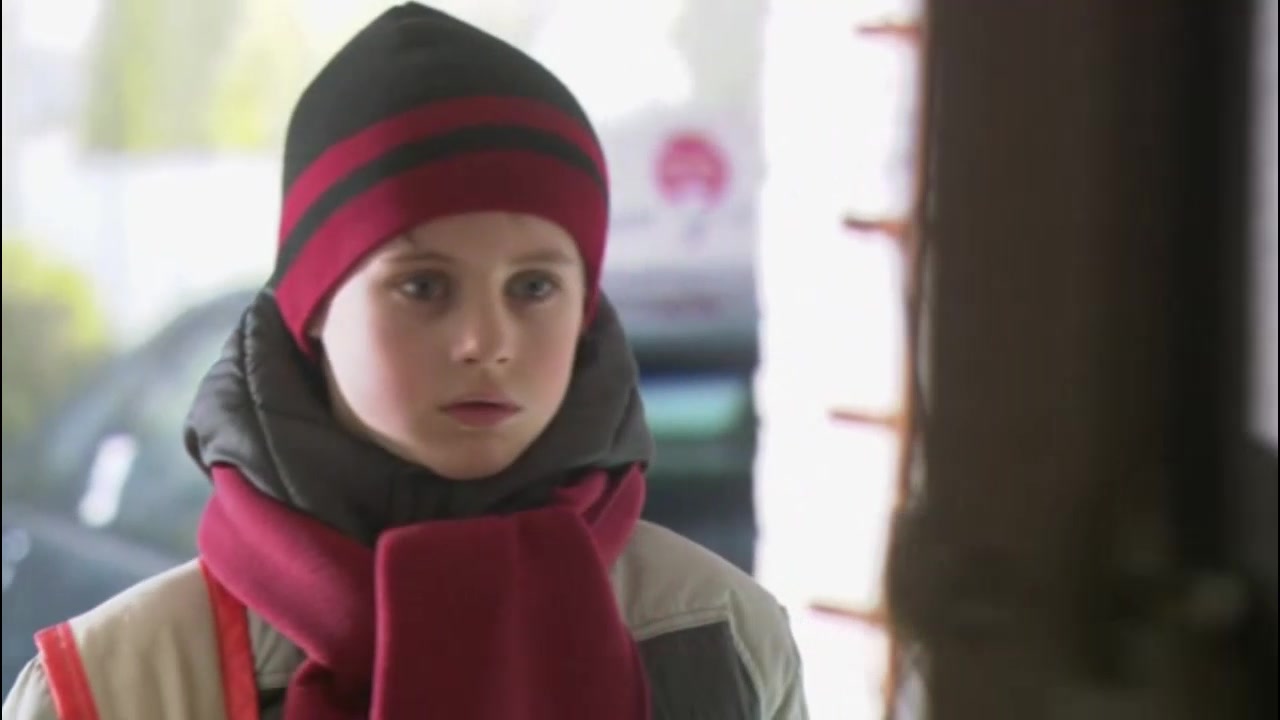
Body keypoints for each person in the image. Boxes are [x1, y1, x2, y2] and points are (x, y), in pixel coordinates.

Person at [1, 4, 807, 719]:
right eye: (423, 286)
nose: (485, 340)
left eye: (534, 286)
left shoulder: (724, 640)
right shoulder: (107, 690)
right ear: (313, 308)